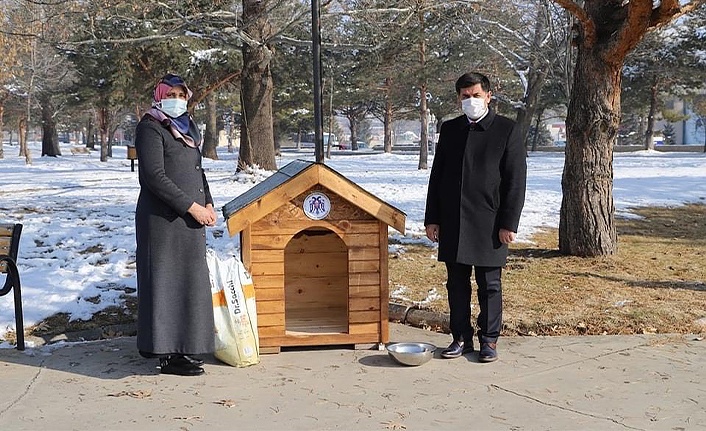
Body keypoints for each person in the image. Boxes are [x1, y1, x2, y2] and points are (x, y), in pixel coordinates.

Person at [424, 72, 526, 363]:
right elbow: (437, 176)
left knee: (489, 284)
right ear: (458, 99)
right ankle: (460, 337)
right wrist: (433, 218)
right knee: (456, 284)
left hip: (490, 222)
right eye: (465, 96)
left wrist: (509, 223)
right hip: (453, 220)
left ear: (489, 96)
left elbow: (515, 181)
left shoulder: (507, 129)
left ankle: (489, 340)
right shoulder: (450, 129)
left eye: (476, 95)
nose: (470, 101)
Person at [134, 73, 217, 376]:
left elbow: (198, 170)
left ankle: (187, 347)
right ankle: (166, 352)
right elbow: (154, 177)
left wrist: (207, 202)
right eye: (173, 94)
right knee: (164, 284)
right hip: (163, 221)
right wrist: (191, 206)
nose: (178, 100)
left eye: (183, 95)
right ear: (160, 95)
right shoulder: (150, 127)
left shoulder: (189, 128)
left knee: (189, 283)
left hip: (191, 219)